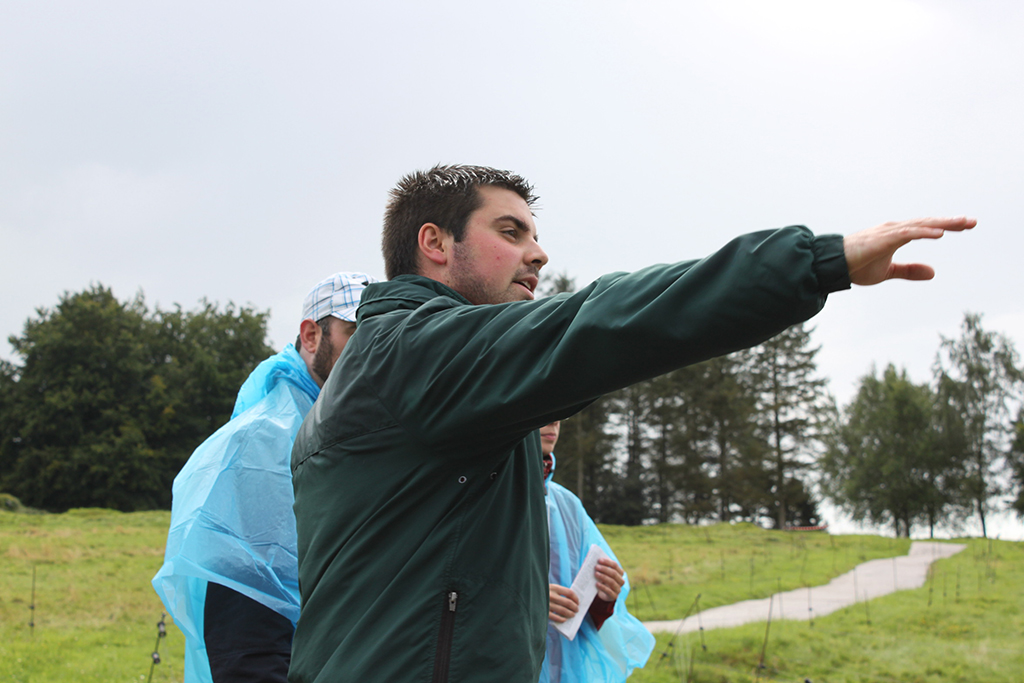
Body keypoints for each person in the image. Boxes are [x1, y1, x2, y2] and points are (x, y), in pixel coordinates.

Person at [289, 163, 974, 683]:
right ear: (434, 243)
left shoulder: (398, 369)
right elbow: (604, 324)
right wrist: (819, 261)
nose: (538, 254)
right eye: (510, 232)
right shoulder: (418, 355)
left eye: (536, 236)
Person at [152, 272, 376, 683]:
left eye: (380, 335)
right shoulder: (265, 442)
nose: (371, 350)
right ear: (311, 336)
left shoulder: (348, 428)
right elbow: (246, 631)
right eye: (355, 332)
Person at [540, 420, 655, 683]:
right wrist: (528, 600)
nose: (554, 419)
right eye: (540, 407)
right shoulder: (482, 501)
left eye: (560, 411)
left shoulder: (567, 507)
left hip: (564, 671)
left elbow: (584, 619)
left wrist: (603, 597)